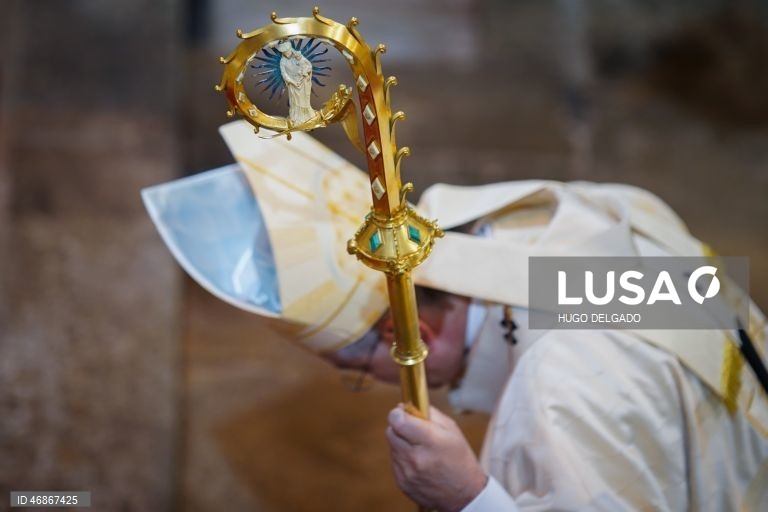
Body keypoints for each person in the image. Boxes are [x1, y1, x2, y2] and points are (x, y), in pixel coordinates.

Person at [144, 120, 768, 511]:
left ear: (401, 334)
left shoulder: (561, 383)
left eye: (357, 369)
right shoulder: (578, 225)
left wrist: (469, 500)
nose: (378, 383)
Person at [277, 40, 317, 126]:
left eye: (286, 51)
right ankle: (296, 118)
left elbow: (308, 65)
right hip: (293, 84)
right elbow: (284, 74)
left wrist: (304, 72)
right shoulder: (282, 61)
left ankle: (307, 116)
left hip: (302, 81)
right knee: (295, 101)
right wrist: (293, 82)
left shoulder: (298, 56)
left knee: (304, 99)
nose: (286, 53)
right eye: (283, 52)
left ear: (290, 49)